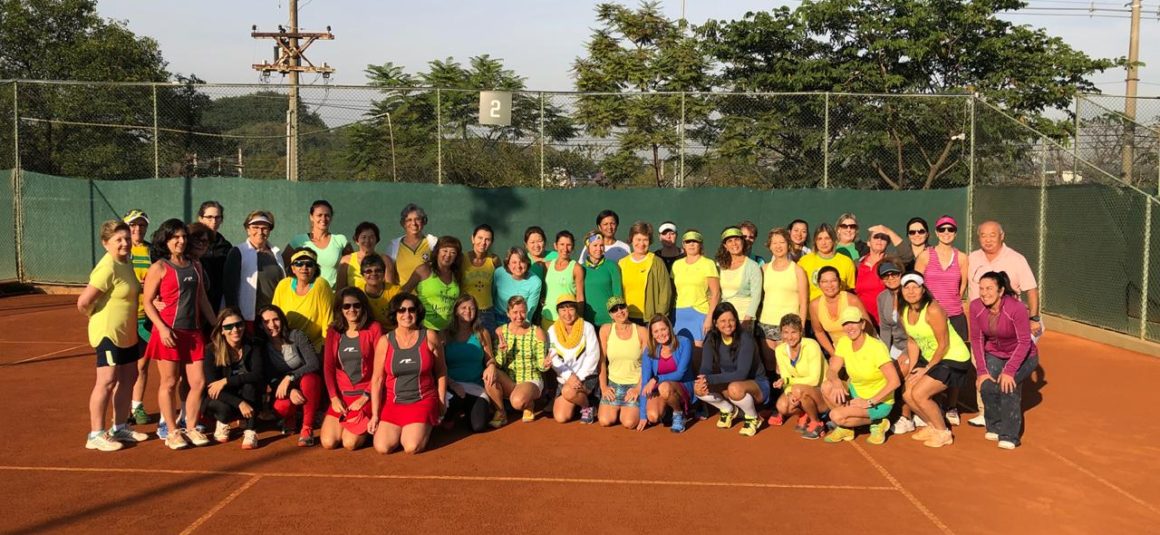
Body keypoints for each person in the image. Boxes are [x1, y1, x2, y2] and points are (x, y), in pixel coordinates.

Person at [142, 219, 216, 450]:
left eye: (183, 236)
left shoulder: (195, 265)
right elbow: (147, 303)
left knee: (198, 381)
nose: (181, 241)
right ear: (165, 240)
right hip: (169, 333)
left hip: (193, 333)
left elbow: (202, 297)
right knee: (170, 382)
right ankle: (172, 431)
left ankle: (191, 427)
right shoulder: (159, 267)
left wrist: (216, 325)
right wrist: (162, 328)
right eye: (175, 237)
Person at [77, 219, 147, 451]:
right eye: (118, 240)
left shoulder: (126, 263)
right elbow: (83, 302)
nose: (125, 243)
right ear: (106, 243)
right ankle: (95, 434)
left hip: (127, 333)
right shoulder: (107, 267)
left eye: (126, 238)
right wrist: (97, 318)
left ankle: (120, 427)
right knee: (107, 381)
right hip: (108, 334)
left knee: (128, 379)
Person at [966, 220, 1041, 427]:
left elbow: (1031, 289)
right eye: (983, 235)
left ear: (1002, 236)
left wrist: (1034, 318)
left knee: (1009, 372)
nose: (988, 239)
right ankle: (986, 411)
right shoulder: (972, 258)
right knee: (982, 367)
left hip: (1009, 327)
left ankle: (1007, 417)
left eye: (992, 235)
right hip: (983, 325)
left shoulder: (1016, 259)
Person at [898, 272, 972, 448]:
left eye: (915, 286)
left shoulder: (933, 309)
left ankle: (943, 433)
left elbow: (944, 344)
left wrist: (927, 369)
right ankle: (932, 425)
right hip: (930, 357)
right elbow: (912, 341)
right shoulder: (904, 311)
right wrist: (914, 367)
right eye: (906, 287)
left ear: (923, 289)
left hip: (952, 356)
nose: (911, 291)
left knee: (919, 394)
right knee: (907, 393)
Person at [368, 293, 447, 454]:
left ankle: (428, 422)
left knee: (411, 446)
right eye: (401, 310)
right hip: (394, 403)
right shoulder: (385, 341)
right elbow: (377, 380)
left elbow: (441, 371)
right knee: (382, 447)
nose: (406, 314)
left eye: (411, 310)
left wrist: (441, 400)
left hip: (423, 400)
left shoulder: (430, 336)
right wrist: (375, 414)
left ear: (417, 313)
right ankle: (410, 427)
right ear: (394, 314)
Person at [970, 271, 1040, 449]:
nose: (984, 293)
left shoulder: (1016, 308)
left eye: (989, 288)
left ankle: (1010, 435)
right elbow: (977, 339)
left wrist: (1009, 371)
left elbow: (1024, 342)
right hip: (994, 353)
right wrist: (982, 372)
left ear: (1001, 291)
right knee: (986, 385)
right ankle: (994, 426)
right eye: (981, 289)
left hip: (1023, 355)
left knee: (1008, 386)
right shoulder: (975, 307)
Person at [914, 215, 969, 426]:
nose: (947, 233)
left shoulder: (962, 258)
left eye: (951, 230)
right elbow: (917, 285)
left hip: (955, 316)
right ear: (936, 233)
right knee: (930, 358)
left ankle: (952, 405)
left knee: (954, 362)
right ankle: (931, 402)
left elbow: (961, 287)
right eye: (942, 229)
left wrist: (951, 303)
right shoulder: (925, 256)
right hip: (930, 317)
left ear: (955, 233)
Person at [821, 308, 901, 445]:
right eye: (846, 324)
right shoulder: (844, 342)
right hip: (856, 393)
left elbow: (895, 382)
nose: (850, 327)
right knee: (827, 386)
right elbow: (832, 370)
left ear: (862, 324)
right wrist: (836, 381)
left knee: (835, 415)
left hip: (879, 401)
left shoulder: (876, 347)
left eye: (854, 322)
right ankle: (847, 428)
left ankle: (878, 422)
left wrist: (870, 402)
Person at [321, 287, 382, 451]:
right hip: (342, 398)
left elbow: (380, 368)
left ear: (363, 307)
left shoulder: (373, 328)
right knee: (329, 442)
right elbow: (328, 368)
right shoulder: (333, 331)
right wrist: (334, 398)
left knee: (350, 443)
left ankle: (372, 424)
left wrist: (366, 396)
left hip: (365, 396)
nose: (352, 310)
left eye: (356, 305)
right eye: (346, 306)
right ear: (340, 309)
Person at [694, 302, 769, 437]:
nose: (727, 324)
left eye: (731, 320)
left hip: (756, 385)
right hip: (730, 382)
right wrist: (702, 379)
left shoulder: (746, 338)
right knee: (698, 388)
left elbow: (742, 374)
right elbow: (705, 367)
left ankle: (753, 417)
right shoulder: (712, 337)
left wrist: (709, 379)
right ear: (715, 322)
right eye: (722, 321)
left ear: (736, 320)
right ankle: (728, 409)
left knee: (735, 388)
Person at [257, 304, 321, 447]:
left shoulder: (296, 336)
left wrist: (290, 377)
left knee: (309, 380)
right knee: (281, 407)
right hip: (286, 387)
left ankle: (307, 428)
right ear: (261, 325)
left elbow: (314, 363)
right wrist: (290, 389)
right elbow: (270, 377)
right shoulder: (263, 346)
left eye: (276, 319)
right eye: (266, 322)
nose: (272, 325)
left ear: (282, 320)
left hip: (308, 383)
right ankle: (290, 417)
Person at [202, 308, 266, 450]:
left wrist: (226, 381)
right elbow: (212, 388)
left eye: (239, 324)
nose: (235, 329)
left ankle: (250, 430)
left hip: (247, 393)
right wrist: (240, 403)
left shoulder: (254, 345)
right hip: (223, 397)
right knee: (224, 410)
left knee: (251, 385)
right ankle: (223, 421)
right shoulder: (211, 351)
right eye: (229, 327)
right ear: (221, 330)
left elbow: (258, 374)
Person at [485, 295, 550, 426]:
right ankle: (501, 412)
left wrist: (545, 365)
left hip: (531, 379)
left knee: (517, 402)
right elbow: (498, 364)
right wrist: (502, 352)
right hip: (510, 382)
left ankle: (528, 403)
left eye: (522, 311)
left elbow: (540, 365)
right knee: (489, 374)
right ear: (508, 313)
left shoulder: (537, 332)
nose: (519, 316)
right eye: (515, 312)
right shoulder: (500, 332)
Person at [875, 260, 920, 434]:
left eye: (894, 274)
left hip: (916, 344)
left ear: (901, 275)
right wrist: (883, 356)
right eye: (886, 275)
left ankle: (906, 416)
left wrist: (906, 352)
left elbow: (917, 330)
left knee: (903, 370)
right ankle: (885, 411)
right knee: (884, 370)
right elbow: (885, 329)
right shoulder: (882, 298)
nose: (891, 278)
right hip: (896, 345)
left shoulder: (910, 294)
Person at [767, 314, 827, 439]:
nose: (789, 337)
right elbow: (785, 375)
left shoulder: (811, 345)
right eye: (785, 332)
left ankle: (817, 422)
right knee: (782, 407)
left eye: (794, 332)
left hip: (822, 392)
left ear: (801, 332)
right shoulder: (780, 350)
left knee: (797, 389)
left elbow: (814, 379)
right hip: (799, 389)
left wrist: (789, 382)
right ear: (781, 333)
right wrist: (789, 393)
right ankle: (805, 412)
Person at [223, 211, 285, 332]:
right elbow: (229, 288)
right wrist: (234, 316)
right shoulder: (238, 252)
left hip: (272, 319)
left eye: (264, 228)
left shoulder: (276, 254)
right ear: (247, 229)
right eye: (255, 227)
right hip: (248, 319)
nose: (260, 232)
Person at [442, 295, 495, 433]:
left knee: (479, 426)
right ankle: (449, 415)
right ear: (456, 311)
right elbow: (438, 367)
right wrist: (452, 384)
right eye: (463, 308)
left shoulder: (482, 333)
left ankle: (468, 408)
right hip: (452, 387)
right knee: (454, 401)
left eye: (472, 308)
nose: (468, 311)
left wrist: (491, 366)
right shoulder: (445, 334)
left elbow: (490, 359)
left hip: (475, 387)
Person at [757, 228, 809, 364]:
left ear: (789, 244)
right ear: (769, 246)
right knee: (769, 364)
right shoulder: (764, 269)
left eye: (782, 242)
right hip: (765, 324)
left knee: (785, 365)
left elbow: (804, 302)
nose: (778, 246)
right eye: (774, 243)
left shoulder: (798, 270)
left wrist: (801, 327)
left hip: (789, 326)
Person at [636, 315, 695, 433]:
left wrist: (656, 379)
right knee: (652, 416)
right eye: (656, 331)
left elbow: (680, 374)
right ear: (652, 334)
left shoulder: (684, 342)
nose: (661, 334)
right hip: (663, 389)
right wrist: (642, 415)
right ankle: (668, 410)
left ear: (670, 328)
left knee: (664, 387)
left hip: (682, 387)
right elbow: (645, 382)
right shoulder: (649, 350)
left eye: (663, 329)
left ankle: (679, 414)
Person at [548, 294, 601, 424]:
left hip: (586, 377)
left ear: (576, 309)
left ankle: (587, 406)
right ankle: (580, 401)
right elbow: (553, 358)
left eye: (571, 309)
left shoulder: (587, 327)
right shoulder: (552, 330)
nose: (567, 313)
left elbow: (593, 355)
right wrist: (569, 376)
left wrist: (578, 377)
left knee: (568, 391)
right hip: (565, 379)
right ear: (558, 312)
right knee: (561, 417)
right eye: (563, 309)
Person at [272, 249, 334, 353]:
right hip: (286, 347)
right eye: (299, 264)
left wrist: (325, 350)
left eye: (309, 264)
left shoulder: (321, 285)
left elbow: (328, 321)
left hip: (314, 348)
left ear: (315, 268)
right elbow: (273, 316)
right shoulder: (283, 285)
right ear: (293, 268)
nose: (304, 268)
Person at [597, 296, 645, 429]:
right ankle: (619, 408)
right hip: (613, 385)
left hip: (634, 385)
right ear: (610, 315)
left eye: (622, 307)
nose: (619, 312)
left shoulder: (641, 331)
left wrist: (638, 388)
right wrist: (604, 387)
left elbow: (648, 364)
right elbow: (601, 360)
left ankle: (637, 407)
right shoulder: (606, 330)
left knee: (628, 422)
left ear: (626, 308)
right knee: (605, 421)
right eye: (614, 310)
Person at [123, 209, 152, 427]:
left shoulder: (151, 251)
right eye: (133, 225)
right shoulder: (120, 251)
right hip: (124, 319)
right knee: (122, 368)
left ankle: (137, 406)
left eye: (141, 225)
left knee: (141, 366)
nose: (137, 229)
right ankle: (122, 409)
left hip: (145, 318)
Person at [401, 235, 462, 331]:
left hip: (448, 331)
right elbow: (403, 293)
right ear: (437, 252)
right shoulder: (424, 270)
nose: (448, 255)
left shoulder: (456, 274)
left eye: (453, 252)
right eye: (445, 250)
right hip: (423, 328)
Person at [809, 266, 873, 357]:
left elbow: (868, 327)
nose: (829, 285)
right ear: (819, 284)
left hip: (863, 348)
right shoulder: (815, 305)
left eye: (833, 281)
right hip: (839, 351)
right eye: (824, 282)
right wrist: (833, 353)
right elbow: (819, 332)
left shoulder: (851, 300)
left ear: (839, 282)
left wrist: (857, 351)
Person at [284, 200, 351, 288]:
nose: (323, 219)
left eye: (327, 215)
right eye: (319, 215)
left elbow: (353, 267)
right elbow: (282, 266)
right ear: (311, 217)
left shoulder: (341, 240)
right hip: (306, 297)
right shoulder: (298, 241)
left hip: (333, 297)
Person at [618, 221, 673, 325]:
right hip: (627, 318)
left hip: (650, 320)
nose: (641, 244)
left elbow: (665, 292)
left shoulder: (657, 262)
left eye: (645, 240)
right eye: (638, 239)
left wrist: (659, 318)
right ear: (631, 239)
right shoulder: (622, 263)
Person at [672, 230, 720, 345]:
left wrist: (709, 317)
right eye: (688, 241)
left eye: (695, 241)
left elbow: (716, 293)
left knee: (697, 355)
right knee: (681, 352)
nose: (691, 244)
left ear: (701, 244)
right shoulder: (676, 264)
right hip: (679, 313)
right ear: (683, 245)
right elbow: (673, 291)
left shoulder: (708, 264)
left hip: (699, 313)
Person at [716, 227, 763, 329]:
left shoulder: (753, 266)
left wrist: (747, 320)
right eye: (730, 241)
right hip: (724, 320)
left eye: (737, 239)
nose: (734, 244)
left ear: (743, 242)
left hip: (743, 319)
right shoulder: (720, 265)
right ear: (725, 246)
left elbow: (756, 296)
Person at [797, 224, 856, 302]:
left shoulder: (846, 262)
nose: (823, 243)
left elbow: (850, 291)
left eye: (827, 238)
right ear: (815, 241)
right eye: (819, 239)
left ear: (833, 240)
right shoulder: (804, 262)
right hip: (812, 310)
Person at [540, 231, 585, 330]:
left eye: (568, 245)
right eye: (562, 244)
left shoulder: (576, 268)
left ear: (572, 247)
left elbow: (580, 296)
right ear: (555, 246)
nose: (565, 249)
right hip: (548, 317)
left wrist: (579, 320)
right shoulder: (547, 266)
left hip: (568, 320)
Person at [460, 224, 500, 331]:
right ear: (473, 239)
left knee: (488, 344)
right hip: (465, 311)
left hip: (487, 312)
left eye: (487, 239)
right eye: (480, 238)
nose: (483, 242)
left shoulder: (494, 260)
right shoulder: (461, 259)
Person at [337, 221, 398, 290]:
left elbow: (390, 289)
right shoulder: (346, 260)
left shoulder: (385, 260)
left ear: (376, 240)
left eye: (371, 237)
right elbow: (340, 290)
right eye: (364, 237)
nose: (367, 241)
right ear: (357, 240)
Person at [580, 230, 623, 327]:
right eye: (595, 245)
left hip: (609, 322)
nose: (599, 249)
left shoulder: (612, 266)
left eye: (601, 245)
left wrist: (617, 317)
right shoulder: (580, 268)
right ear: (588, 247)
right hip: (588, 323)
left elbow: (618, 294)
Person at [196, 201, 232, 314]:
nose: (214, 221)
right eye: (209, 217)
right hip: (193, 303)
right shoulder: (189, 242)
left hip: (217, 305)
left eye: (217, 217)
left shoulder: (226, 247)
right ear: (200, 218)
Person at [389, 203, 439, 284]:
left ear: (423, 222)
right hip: (404, 296)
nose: (414, 223)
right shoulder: (394, 246)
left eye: (417, 219)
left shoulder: (433, 242)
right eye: (409, 220)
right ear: (403, 224)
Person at [493, 247, 543, 326]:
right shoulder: (499, 273)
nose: (518, 266)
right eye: (514, 262)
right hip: (497, 317)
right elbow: (492, 295)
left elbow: (530, 311)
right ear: (508, 264)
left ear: (527, 263)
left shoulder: (535, 282)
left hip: (520, 320)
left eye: (522, 262)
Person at [854, 232, 891, 324]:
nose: (879, 240)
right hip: (863, 320)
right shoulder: (857, 264)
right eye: (876, 237)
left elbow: (906, 255)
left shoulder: (892, 263)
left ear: (887, 243)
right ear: (868, 243)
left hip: (886, 321)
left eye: (883, 238)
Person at [361, 254, 401, 330]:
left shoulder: (396, 292)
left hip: (394, 332)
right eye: (368, 271)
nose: (373, 274)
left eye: (378, 270)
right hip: (370, 332)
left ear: (384, 273)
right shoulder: (358, 293)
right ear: (362, 275)